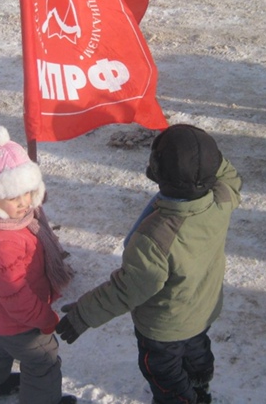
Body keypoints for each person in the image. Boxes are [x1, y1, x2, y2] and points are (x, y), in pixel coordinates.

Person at [56, 124, 242, 404]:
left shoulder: (155, 237)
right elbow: (227, 174)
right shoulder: (222, 199)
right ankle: (200, 387)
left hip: (163, 328)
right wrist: (201, 153)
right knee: (196, 352)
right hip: (202, 310)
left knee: (163, 372)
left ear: (155, 174)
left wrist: (84, 314)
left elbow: (128, 288)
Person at [0, 126, 76, 404]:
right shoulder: (0, 242)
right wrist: (45, 318)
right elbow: (16, 296)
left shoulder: (4, 222)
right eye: (13, 197)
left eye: (28, 192)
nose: (24, 203)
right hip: (17, 316)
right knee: (43, 358)